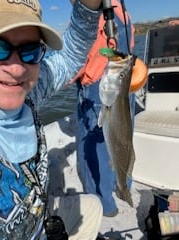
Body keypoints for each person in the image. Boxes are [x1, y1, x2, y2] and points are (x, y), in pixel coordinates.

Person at [0, 0, 104, 239]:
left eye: (30, 50)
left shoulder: (29, 93)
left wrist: (88, 6)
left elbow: (69, 56)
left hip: (38, 216)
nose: (17, 69)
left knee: (93, 207)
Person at [75, 0, 135, 217]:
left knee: (96, 144)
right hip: (123, 78)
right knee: (122, 139)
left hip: (105, 84)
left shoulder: (107, 9)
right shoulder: (120, 8)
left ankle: (103, 202)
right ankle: (123, 184)